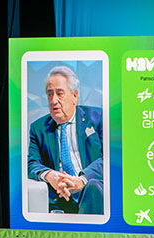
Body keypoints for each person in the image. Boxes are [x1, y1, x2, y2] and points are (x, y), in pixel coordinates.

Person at [27, 65, 105, 214]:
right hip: (59, 196)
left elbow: (109, 158)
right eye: (50, 94)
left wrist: (82, 179)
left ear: (75, 96)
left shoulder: (98, 118)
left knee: (94, 187)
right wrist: (50, 175)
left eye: (59, 93)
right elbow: (31, 163)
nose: (54, 100)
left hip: (90, 190)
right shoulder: (38, 128)